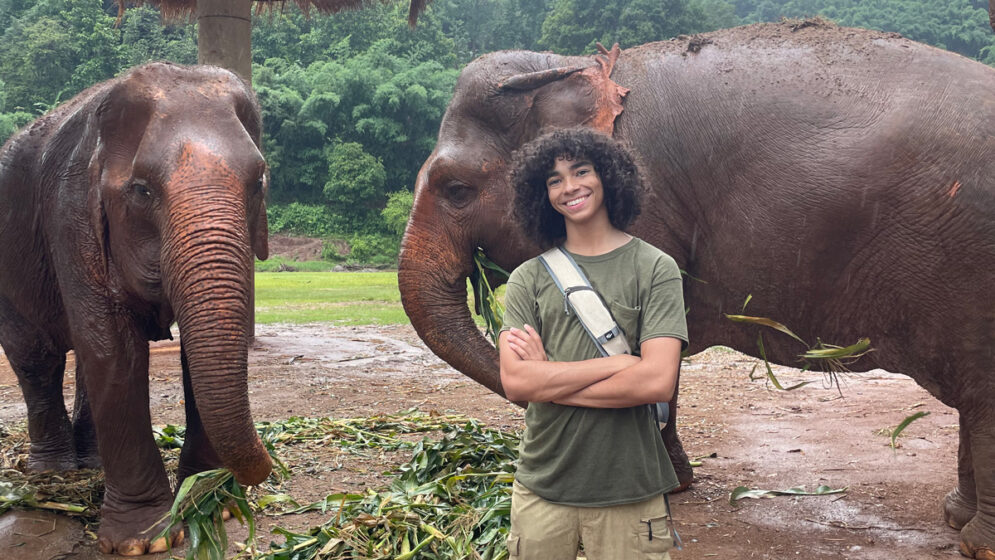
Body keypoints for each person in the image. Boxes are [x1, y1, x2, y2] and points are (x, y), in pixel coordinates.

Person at [499, 127, 688, 560]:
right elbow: (515, 383)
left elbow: (657, 383)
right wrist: (622, 365)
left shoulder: (656, 268)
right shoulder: (527, 278)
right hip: (542, 485)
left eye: (580, 171)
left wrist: (548, 378)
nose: (570, 188)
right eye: (554, 179)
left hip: (630, 489)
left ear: (606, 176)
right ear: (542, 194)